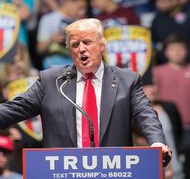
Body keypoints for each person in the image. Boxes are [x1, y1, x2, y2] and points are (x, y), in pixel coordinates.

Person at [0, 18, 172, 165]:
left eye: (87, 42)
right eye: (75, 44)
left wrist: (157, 143)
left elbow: (146, 115)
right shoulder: (52, 81)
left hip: (113, 170)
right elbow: (14, 109)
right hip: (63, 172)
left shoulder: (126, 81)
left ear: (102, 45)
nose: (81, 49)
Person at [153, 33, 190, 178]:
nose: (177, 52)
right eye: (173, 48)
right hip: (168, 127)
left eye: (180, 48)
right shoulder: (157, 72)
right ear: (166, 51)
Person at [36, 0, 87, 69]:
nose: (82, 12)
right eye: (80, 7)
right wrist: (52, 40)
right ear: (69, 2)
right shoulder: (48, 19)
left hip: (75, 63)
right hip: (53, 63)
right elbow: (39, 49)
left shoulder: (80, 22)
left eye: (83, 9)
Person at [151, 0, 190, 64]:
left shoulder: (188, 17)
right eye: (157, 1)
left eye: (162, 1)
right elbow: (153, 45)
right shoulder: (158, 20)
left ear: (175, 0)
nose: (158, 4)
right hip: (164, 67)